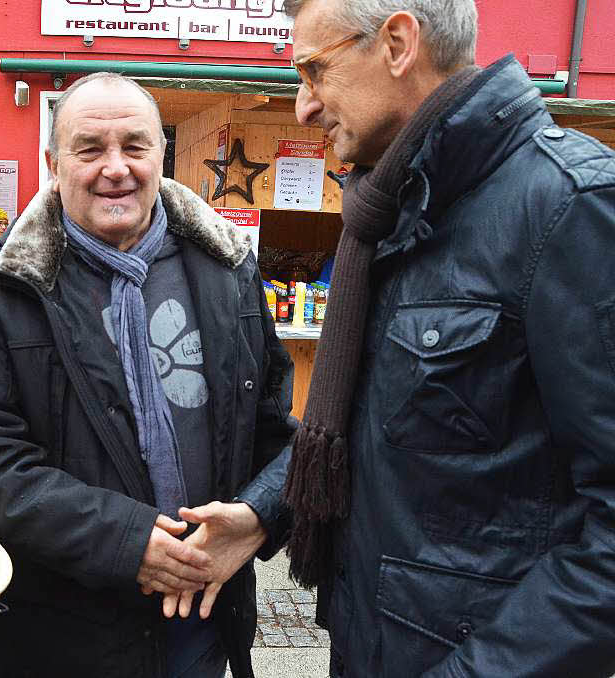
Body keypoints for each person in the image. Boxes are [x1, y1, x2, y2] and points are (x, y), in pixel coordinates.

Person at [265, 1, 615, 676]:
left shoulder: (569, 204)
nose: (304, 105)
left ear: (398, 42)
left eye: (313, 69)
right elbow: (374, 435)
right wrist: (259, 516)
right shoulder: (390, 211)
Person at [0, 72, 296, 678]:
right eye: (90, 148)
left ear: (160, 154)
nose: (115, 168)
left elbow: (277, 430)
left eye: (135, 146)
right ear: (53, 161)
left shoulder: (226, 271)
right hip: (68, 634)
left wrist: (257, 516)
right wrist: (129, 542)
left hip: (205, 616)